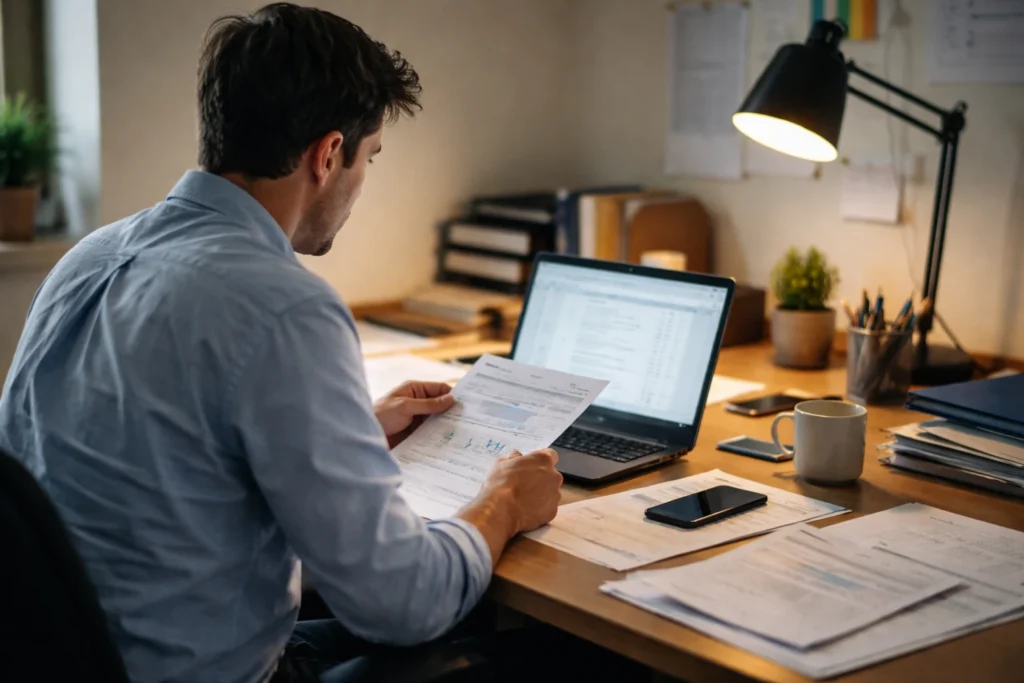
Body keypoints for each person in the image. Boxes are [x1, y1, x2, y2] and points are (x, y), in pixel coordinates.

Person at [0, 4, 563, 683]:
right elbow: (400, 602)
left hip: (79, 659)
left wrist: (348, 430)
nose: (362, 183)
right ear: (328, 155)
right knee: (544, 653)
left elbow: (163, 455)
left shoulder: (91, 257)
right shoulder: (283, 304)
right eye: (370, 158)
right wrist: (502, 499)